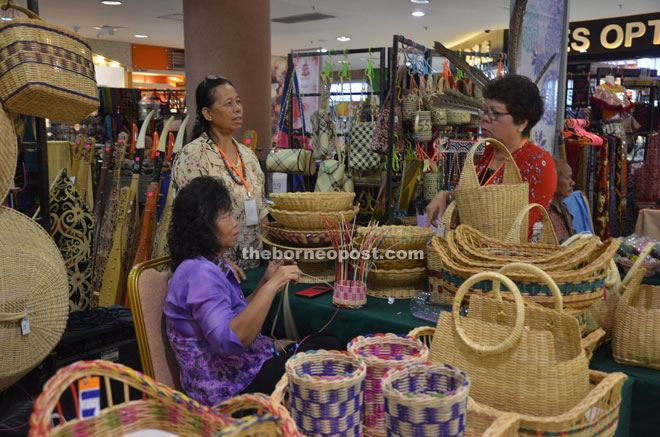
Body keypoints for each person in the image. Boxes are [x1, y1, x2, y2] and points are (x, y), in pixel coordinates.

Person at [165, 176, 343, 406]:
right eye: (226, 216)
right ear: (202, 225)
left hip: (242, 372)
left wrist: (265, 281)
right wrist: (271, 287)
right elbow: (230, 340)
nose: (235, 222)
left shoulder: (204, 264)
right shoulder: (199, 273)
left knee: (326, 346)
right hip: (229, 393)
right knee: (329, 354)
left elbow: (233, 317)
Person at [427, 75, 557, 234]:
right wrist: (446, 195)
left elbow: (523, 226)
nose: (485, 119)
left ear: (522, 122)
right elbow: (473, 199)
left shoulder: (537, 162)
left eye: (495, 113)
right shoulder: (487, 152)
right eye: (484, 111)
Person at [172, 76, 267, 273]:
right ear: (207, 113)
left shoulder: (248, 155)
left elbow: (261, 211)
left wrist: (274, 251)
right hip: (213, 271)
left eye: (238, 101)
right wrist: (218, 264)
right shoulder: (194, 155)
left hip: (254, 263)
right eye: (229, 104)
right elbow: (192, 220)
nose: (238, 109)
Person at [548, 159, 576, 242]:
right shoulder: (543, 214)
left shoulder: (563, 208)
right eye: (568, 178)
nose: (573, 183)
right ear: (553, 180)